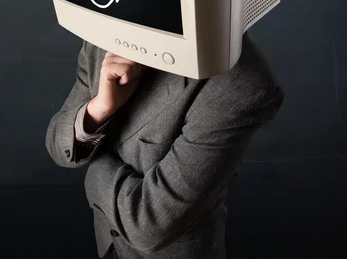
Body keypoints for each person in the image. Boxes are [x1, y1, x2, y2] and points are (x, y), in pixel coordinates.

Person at [45, 32, 284, 258]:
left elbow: (147, 225)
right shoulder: (102, 35)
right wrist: (99, 109)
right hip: (107, 244)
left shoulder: (239, 83)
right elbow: (58, 145)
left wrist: (95, 162)